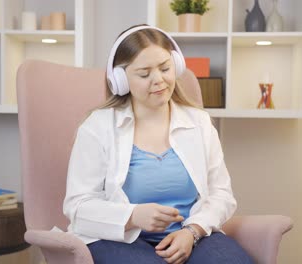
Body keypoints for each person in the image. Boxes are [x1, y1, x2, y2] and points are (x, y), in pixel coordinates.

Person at [63, 24, 253, 264]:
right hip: (119, 238)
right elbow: (77, 206)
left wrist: (192, 231)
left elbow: (222, 194)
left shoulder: (199, 123)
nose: (159, 80)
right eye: (144, 74)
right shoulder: (97, 127)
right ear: (120, 80)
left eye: (165, 68)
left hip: (190, 235)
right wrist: (132, 216)